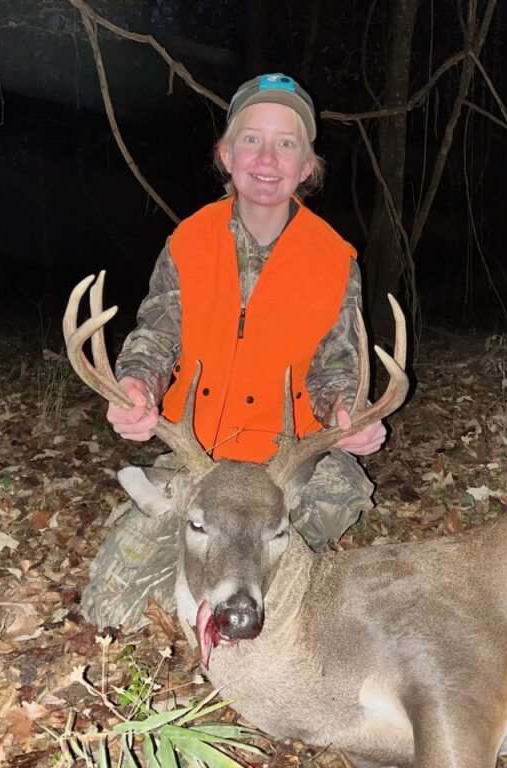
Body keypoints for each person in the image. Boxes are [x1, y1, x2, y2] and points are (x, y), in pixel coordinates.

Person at [81, 73, 386, 631]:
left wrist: (349, 411)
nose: (267, 158)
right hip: (200, 453)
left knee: (333, 498)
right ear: (225, 155)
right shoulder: (189, 242)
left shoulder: (334, 259)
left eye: (286, 143)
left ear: (307, 167)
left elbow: (338, 360)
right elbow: (156, 332)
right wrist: (135, 388)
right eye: (251, 139)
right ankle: (224, 550)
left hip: (285, 458)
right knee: (108, 611)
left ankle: (264, 572)